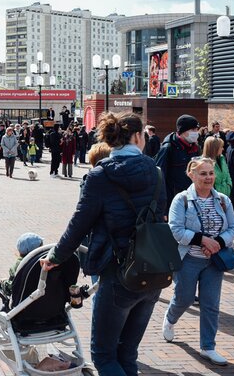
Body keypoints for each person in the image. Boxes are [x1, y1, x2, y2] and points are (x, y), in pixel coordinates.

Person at [40, 112, 163, 375]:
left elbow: (79, 225)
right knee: (127, 353)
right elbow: (161, 219)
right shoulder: (155, 171)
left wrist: (55, 257)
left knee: (104, 356)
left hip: (118, 270)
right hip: (154, 269)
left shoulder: (100, 176)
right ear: (138, 136)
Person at [163, 157, 234, 367]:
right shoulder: (182, 199)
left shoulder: (223, 200)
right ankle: (170, 320)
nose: (208, 178)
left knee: (211, 304)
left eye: (211, 173)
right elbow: (175, 229)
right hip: (189, 259)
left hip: (215, 260)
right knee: (184, 298)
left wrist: (218, 243)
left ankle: (208, 346)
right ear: (192, 175)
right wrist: (202, 240)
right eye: (203, 174)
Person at [155, 114, 202, 214]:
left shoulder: (195, 148)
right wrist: (163, 208)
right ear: (183, 132)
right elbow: (159, 177)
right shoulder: (168, 148)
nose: (196, 133)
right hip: (173, 201)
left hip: (191, 199)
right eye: (193, 130)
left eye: (197, 129)